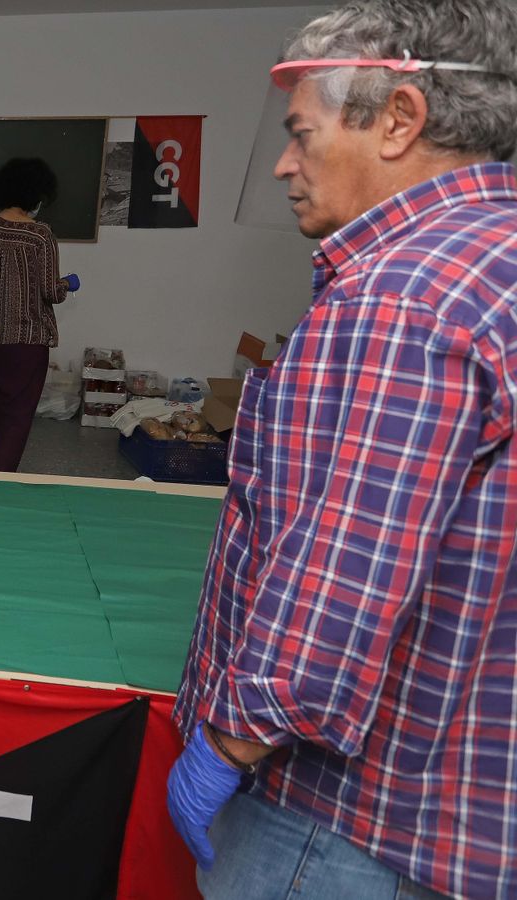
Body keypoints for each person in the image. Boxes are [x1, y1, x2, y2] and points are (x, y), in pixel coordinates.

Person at [167, 2, 517, 897]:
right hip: (456, 794)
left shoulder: (399, 295)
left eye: (301, 134)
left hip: (338, 819)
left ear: (399, 119)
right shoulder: (492, 257)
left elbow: (345, 571)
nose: (285, 164)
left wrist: (229, 741)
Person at [0, 158, 80, 472]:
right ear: (36, 196)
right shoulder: (40, 236)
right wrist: (68, 283)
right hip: (24, 342)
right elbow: (51, 292)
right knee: (15, 417)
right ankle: (0, 485)